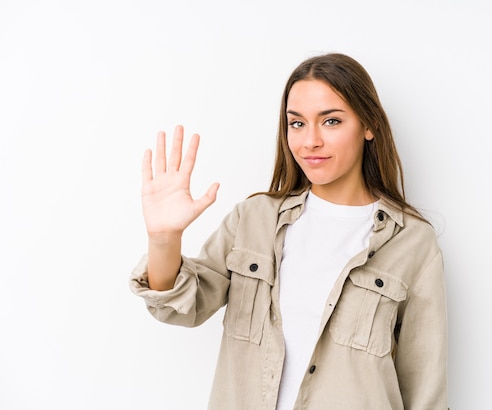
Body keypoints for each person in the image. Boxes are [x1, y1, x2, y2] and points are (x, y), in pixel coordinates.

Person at [130, 53, 448, 409]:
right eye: (296, 123)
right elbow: (180, 307)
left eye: (330, 121)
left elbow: (425, 388)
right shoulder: (253, 220)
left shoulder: (412, 242)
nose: (310, 141)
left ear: (368, 125)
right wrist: (163, 239)